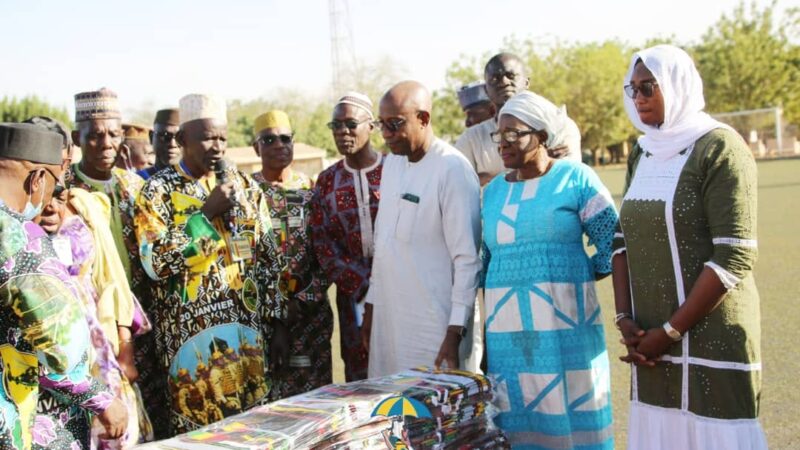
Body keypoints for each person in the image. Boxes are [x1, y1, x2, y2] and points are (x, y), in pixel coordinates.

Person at [612, 44, 766, 450]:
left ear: (677, 85)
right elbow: (621, 239)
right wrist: (625, 319)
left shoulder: (720, 148)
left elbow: (734, 253)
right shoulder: (641, 151)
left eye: (649, 87)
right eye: (634, 88)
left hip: (711, 333)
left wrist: (670, 331)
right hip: (649, 343)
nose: (639, 98)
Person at [134, 93, 287, 434]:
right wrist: (206, 213)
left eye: (222, 137)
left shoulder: (244, 185)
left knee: (253, 431)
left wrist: (277, 322)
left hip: (247, 339)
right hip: (190, 347)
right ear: (182, 139)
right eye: (206, 137)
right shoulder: (156, 191)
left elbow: (266, 258)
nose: (216, 146)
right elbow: (154, 262)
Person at [481, 91, 616, 449]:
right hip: (508, 335)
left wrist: (576, 278)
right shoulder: (492, 193)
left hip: (566, 327)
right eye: (499, 134)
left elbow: (614, 242)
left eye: (514, 133)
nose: (503, 143)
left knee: (573, 409)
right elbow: (483, 263)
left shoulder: (576, 179)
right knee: (516, 416)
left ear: (542, 136)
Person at [0, 123, 127, 450]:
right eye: (55, 185)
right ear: (37, 179)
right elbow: (59, 349)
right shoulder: (19, 239)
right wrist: (102, 400)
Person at [28, 116, 153, 448]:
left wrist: (124, 347)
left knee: (117, 435)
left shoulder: (86, 205)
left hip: (97, 346)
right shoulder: (15, 220)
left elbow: (111, 280)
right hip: (45, 355)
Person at [362, 81, 481, 377]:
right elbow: (383, 242)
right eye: (382, 124)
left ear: (423, 119)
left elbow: (467, 260)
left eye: (395, 124)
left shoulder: (452, 168)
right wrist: (371, 307)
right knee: (389, 411)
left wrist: (455, 332)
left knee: (435, 416)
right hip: (390, 321)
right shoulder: (392, 164)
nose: (386, 134)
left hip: (435, 328)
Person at [66, 88, 165, 439]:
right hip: (98, 325)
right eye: (94, 135)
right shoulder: (65, 189)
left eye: (112, 133)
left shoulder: (133, 186)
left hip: (142, 318)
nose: (105, 143)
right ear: (78, 138)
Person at [250, 110, 333, 399]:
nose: (279, 145)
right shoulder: (246, 192)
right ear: (255, 147)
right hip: (263, 317)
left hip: (311, 314)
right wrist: (277, 310)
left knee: (315, 398)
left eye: (285, 138)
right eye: (269, 139)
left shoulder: (312, 189)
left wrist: (301, 300)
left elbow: (326, 252)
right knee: (271, 398)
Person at [310, 91, 383, 382]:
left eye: (350, 124)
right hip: (353, 292)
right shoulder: (327, 180)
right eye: (336, 126)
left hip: (400, 288)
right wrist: (361, 285)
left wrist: (386, 283)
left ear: (371, 126)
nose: (342, 132)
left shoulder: (395, 169)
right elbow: (322, 243)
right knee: (360, 371)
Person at [455, 53, 582, 186]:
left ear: (526, 82)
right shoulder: (471, 138)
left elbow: (568, 178)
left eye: (511, 76)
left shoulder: (560, 126)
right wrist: (538, 165)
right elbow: (458, 184)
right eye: (495, 79)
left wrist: (489, 179)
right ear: (486, 90)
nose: (504, 82)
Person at [138, 109, 181, 180]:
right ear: (151, 137)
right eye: (165, 136)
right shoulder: (137, 182)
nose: (172, 144)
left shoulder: (199, 185)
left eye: (179, 137)